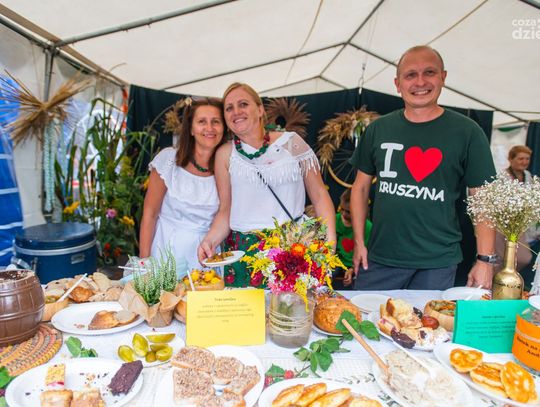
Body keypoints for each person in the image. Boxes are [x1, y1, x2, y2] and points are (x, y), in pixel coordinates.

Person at [349, 45, 496, 290]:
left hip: (437, 263)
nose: (420, 82)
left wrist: (485, 261)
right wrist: (358, 242)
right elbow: (360, 188)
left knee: (428, 317)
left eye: (429, 72)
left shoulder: (467, 132)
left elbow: (483, 200)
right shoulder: (378, 129)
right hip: (379, 258)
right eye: (410, 75)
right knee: (363, 315)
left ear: (443, 77)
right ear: (397, 84)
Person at [198, 82, 336, 287]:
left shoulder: (292, 142)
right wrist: (209, 241)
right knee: (246, 309)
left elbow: (319, 195)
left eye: (243, 104)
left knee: (290, 307)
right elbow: (226, 210)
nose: (236, 112)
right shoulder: (225, 154)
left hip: (292, 248)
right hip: (244, 254)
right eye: (229, 108)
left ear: (260, 109)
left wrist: (329, 243)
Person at [139, 97, 226, 270]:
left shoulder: (227, 169)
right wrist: (143, 263)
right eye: (202, 121)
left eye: (216, 121)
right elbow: (150, 214)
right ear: (191, 129)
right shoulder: (168, 160)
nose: (209, 128)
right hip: (165, 253)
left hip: (206, 257)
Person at [494, 145, 534, 273]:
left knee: (523, 258)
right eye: (520, 158)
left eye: (527, 159)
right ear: (510, 159)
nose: (524, 162)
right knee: (499, 258)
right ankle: (491, 281)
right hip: (502, 224)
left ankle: (505, 278)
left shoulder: (528, 175)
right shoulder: (502, 176)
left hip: (518, 224)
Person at [335, 189, 372, 289]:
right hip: (336, 262)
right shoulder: (335, 219)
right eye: (341, 209)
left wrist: (351, 269)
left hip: (356, 264)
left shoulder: (367, 227)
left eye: (348, 212)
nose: (343, 214)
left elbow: (366, 254)